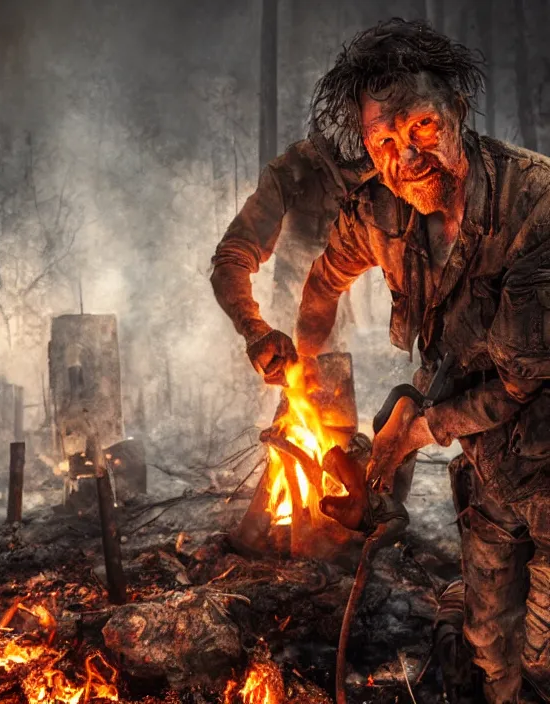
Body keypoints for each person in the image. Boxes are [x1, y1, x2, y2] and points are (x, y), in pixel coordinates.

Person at [295, 18, 550, 704]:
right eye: (383, 142)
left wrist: (420, 426)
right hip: (490, 484)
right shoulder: (382, 211)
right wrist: (302, 379)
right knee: (492, 658)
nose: (406, 157)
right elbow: (323, 281)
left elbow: (521, 381)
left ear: (457, 113)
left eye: (422, 129)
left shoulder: (535, 203)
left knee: (544, 660)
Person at [210, 121, 372, 386]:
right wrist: (255, 329)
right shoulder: (291, 173)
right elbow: (232, 256)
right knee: (287, 372)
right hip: (290, 288)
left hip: (338, 295)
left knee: (331, 392)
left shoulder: (395, 173)